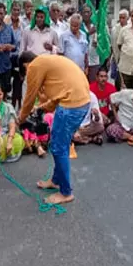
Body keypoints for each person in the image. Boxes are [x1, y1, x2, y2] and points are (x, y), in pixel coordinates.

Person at [18, 52, 91, 205]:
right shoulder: (47, 61)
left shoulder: (34, 66)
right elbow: (57, 95)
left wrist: (21, 118)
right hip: (80, 101)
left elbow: (29, 97)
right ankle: (56, 180)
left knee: (59, 148)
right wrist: (42, 109)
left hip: (71, 106)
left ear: (26, 65)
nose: (28, 73)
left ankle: (66, 192)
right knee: (58, 145)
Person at [0, 82, 24, 163]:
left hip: (5, 136)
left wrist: (9, 141)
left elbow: (12, 126)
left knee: (18, 139)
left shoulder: (8, 107)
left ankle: (0, 153)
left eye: (0, 94)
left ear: (3, 94)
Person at [110, 9, 129, 88]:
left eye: (123, 18)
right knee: (117, 81)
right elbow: (112, 44)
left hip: (128, 60)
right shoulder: (115, 29)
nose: (121, 20)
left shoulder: (130, 29)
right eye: (120, 17)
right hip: (117, 58)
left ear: (127, 18)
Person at [81, 5, 101, 82]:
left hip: (94, 61)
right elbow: (78, 40)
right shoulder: (79, 26)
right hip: (82, 62)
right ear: (81, 14)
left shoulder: (96, 26)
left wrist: (98, 44)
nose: (86, 14)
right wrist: (89, 33)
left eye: (88, 12)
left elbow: (104, 43)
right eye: (84, 12)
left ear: (91, 13)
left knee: (93, 85)